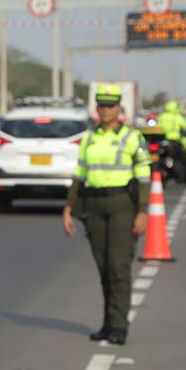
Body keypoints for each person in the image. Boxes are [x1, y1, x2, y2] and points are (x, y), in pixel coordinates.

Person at [62, 84, 150, 346]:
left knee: (118, 267)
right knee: (103, 269)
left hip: (122, 203)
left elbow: (144, 175)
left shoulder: (133, 137)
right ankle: (108, 323)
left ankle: (119, 326)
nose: (105, 110)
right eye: (101, 105)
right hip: (94, 205)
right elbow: (80, 174)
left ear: (119, 108)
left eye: (110, 105)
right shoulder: (89, 137)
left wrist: (143, 211)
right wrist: (69, 207)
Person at [156, 100, 186, 182]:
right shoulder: (178, 117)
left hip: (162, 140)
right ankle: (179, 177)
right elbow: (185, 127)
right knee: (178, 159)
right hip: (174, 141)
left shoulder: (162, 116)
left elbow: (157, 127)